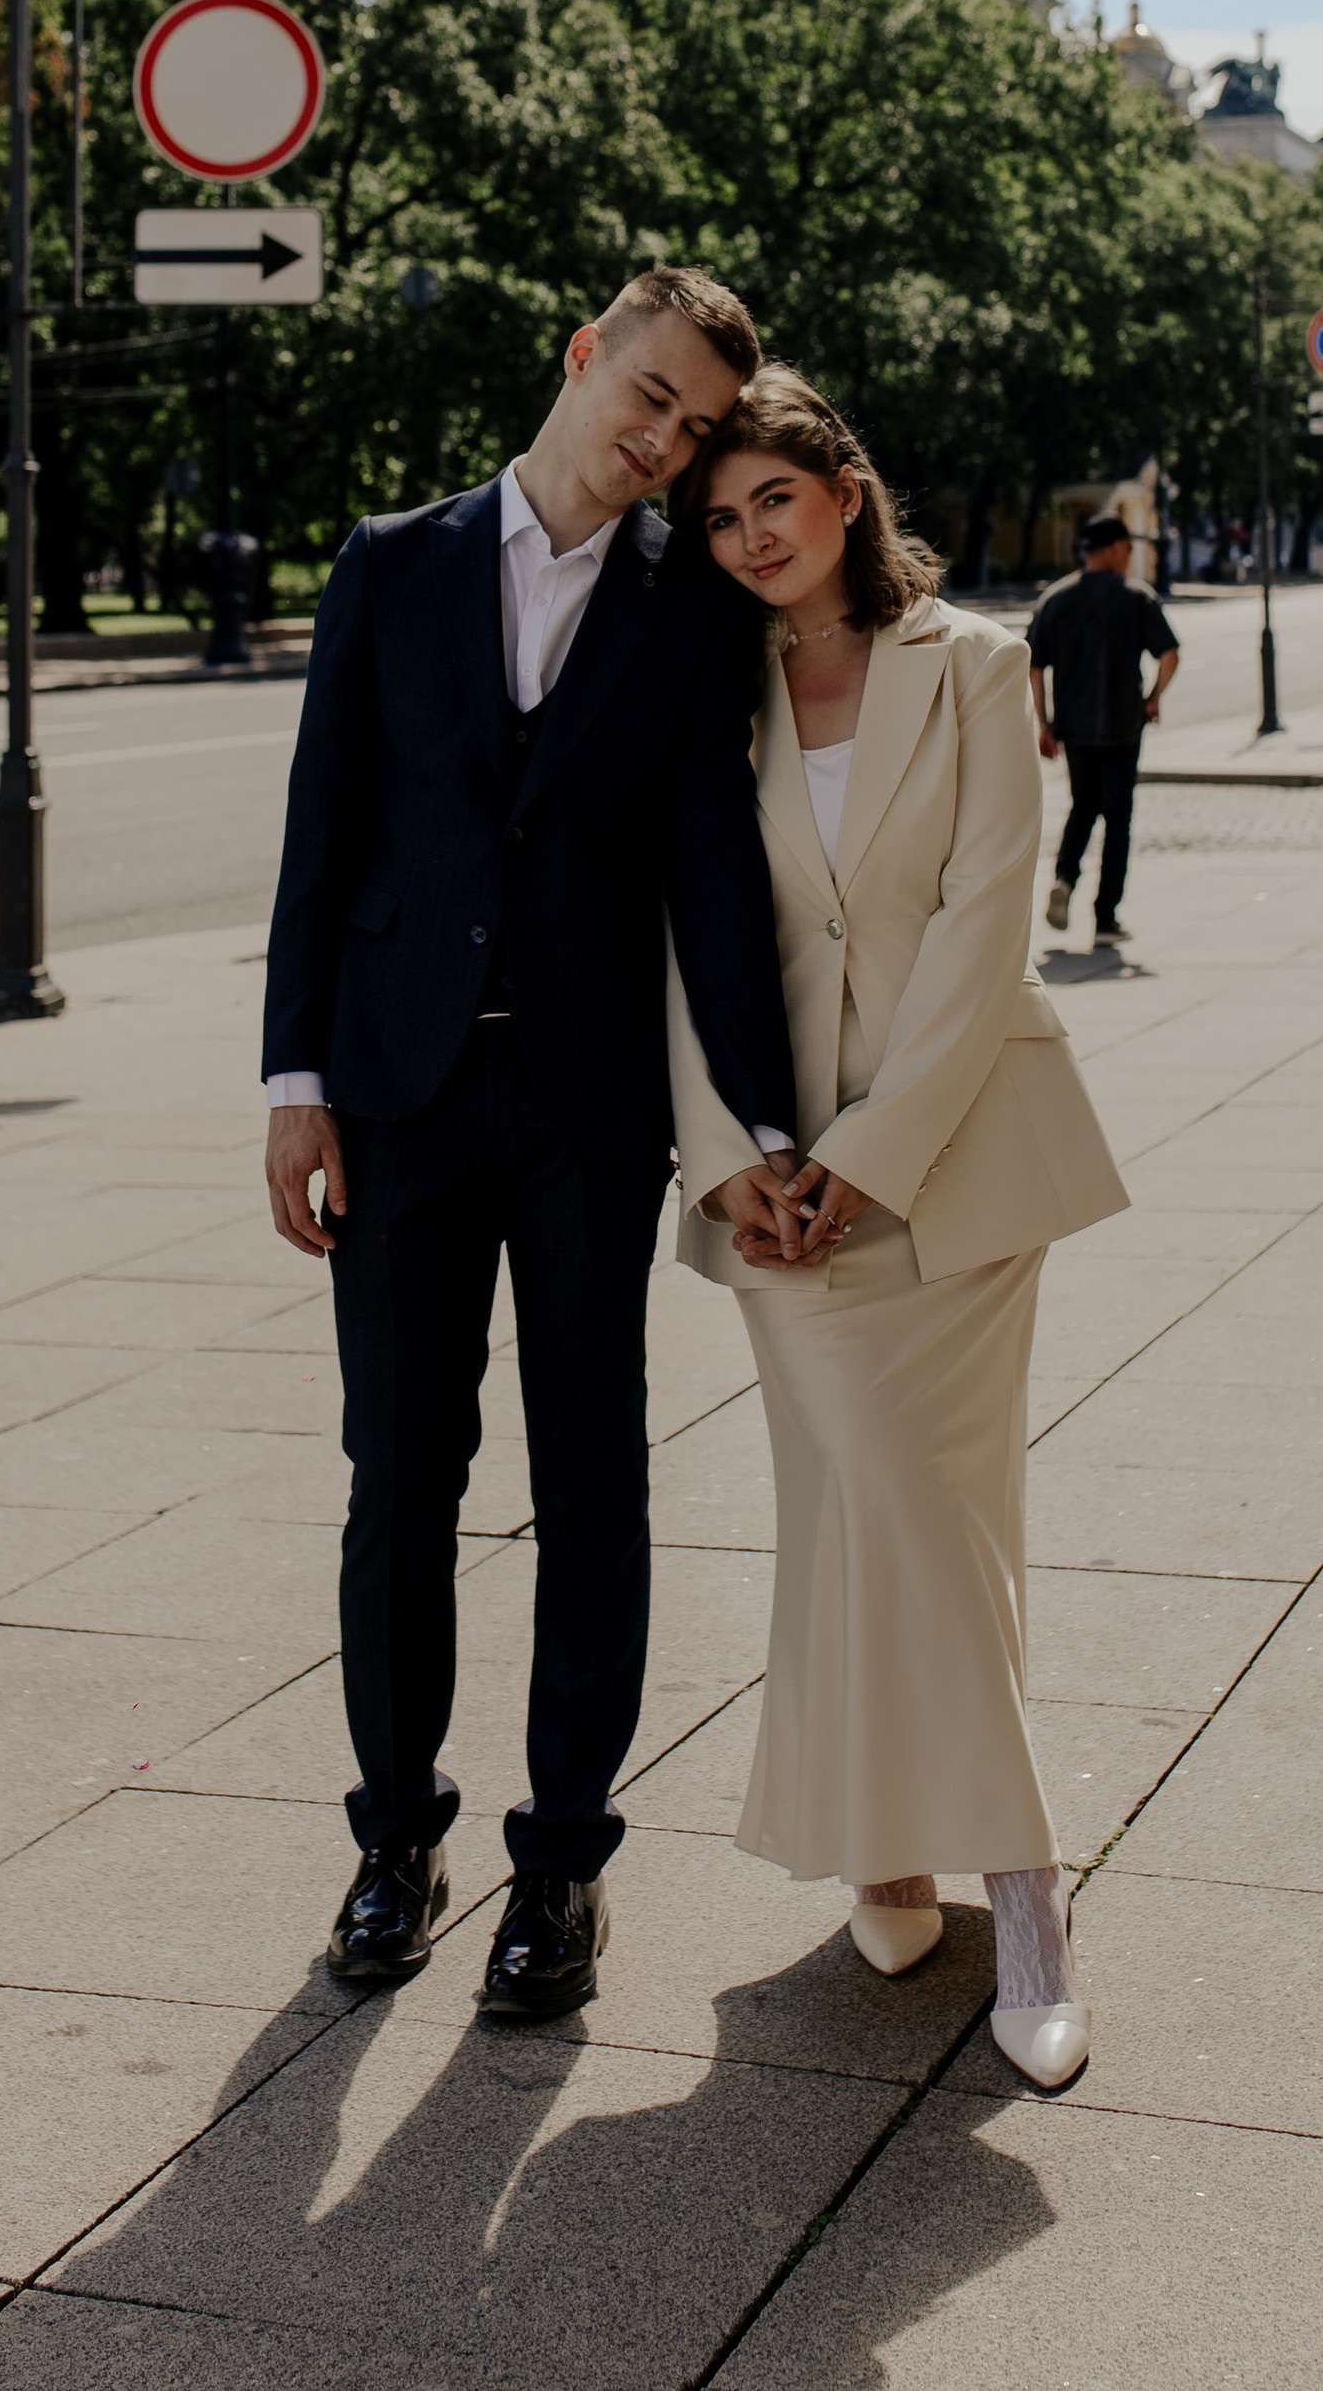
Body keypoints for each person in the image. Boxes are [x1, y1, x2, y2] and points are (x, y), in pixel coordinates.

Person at [263, 270, 802, 2021]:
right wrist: (294, 1085)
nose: (660, 441)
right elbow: (322, 838)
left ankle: (561, 1869)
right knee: (399, 1483)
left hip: (586, 1117)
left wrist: (769, 1113)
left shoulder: (692, 606)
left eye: (695, 428)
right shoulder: (388, 563)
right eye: (646, 397)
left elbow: (713, 874)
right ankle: (394, 1843)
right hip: (399, 1102)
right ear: (584, 360)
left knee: (595, 1488)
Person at [668, 370, 1130, 2092]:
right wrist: (730, 1160)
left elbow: (984, 925)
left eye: (771, 500)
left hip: (960, 1164)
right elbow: (676, 935)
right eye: (718, 519)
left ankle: (1020, 1893)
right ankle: (890, 1845)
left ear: (843, 494)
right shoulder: (712, 691)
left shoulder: (982, 666)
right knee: (850, 1508)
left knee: (942, 1515)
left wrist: (874, 1152)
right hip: (778, 1193)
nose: (748, 538)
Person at [1025, 511, 1178, 944]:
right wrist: (1152, 699)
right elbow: (1169, 655)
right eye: (1129, 548)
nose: (1129, 557)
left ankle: (1064, 879)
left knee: (1082, 805)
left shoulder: (1056, 599)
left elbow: (1033, 665)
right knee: (1118, 816)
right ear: (1113, 549)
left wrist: (1044, 723)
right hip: (1122, 724)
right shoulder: (1136, 596)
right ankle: (1106, 916)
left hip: (1073, 727)